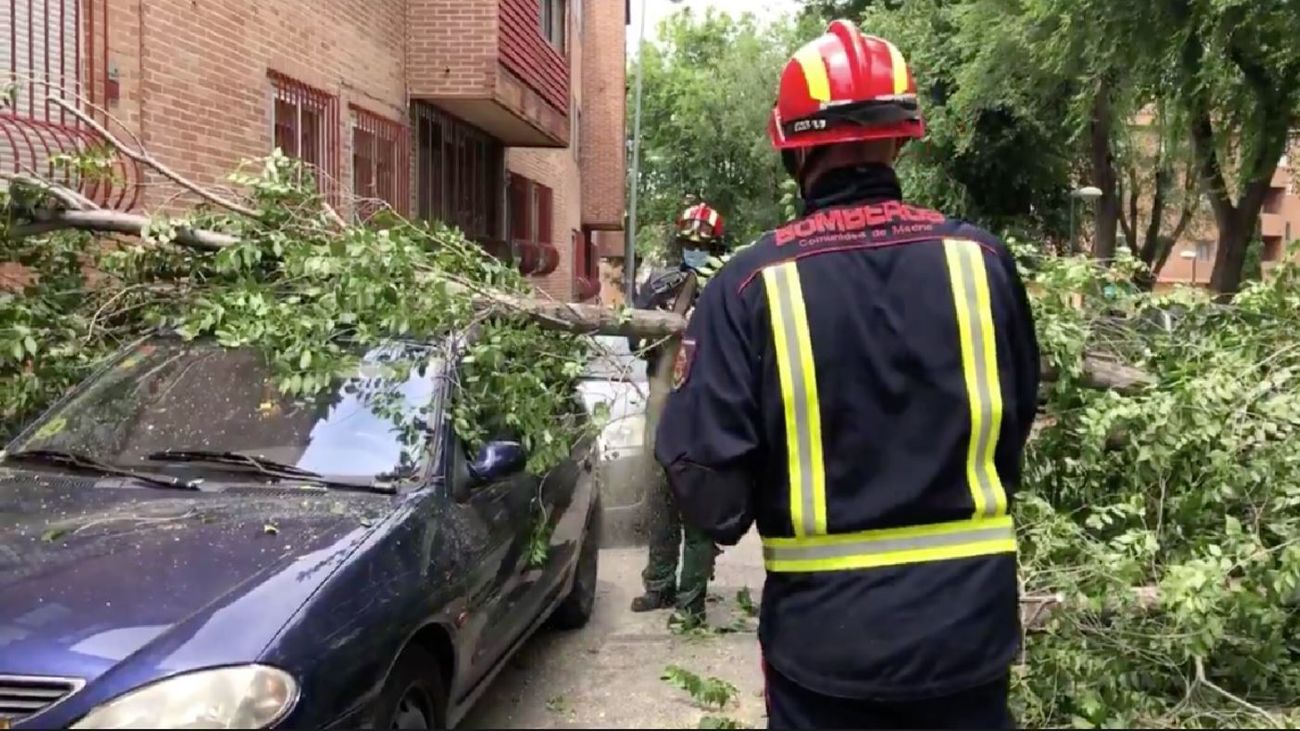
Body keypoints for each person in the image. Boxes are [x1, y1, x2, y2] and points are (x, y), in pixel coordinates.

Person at [653, 19, 1041, 730]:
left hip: (825, 659)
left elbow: (710, 499)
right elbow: (1009, 437)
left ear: (790, 150)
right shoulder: (982, 264)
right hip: (971, 640)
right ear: (901, 137)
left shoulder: (748, 288)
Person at [627, 201, 728, 623]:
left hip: (707, 405)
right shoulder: (661, 284)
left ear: (717, 246)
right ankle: (660, 585)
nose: (694, 250)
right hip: (662, 398)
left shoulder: (728, 286)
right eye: (688, 243)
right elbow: (634, 342)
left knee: (698, 499)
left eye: (703, 245)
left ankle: (691, 603)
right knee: (660, 497)